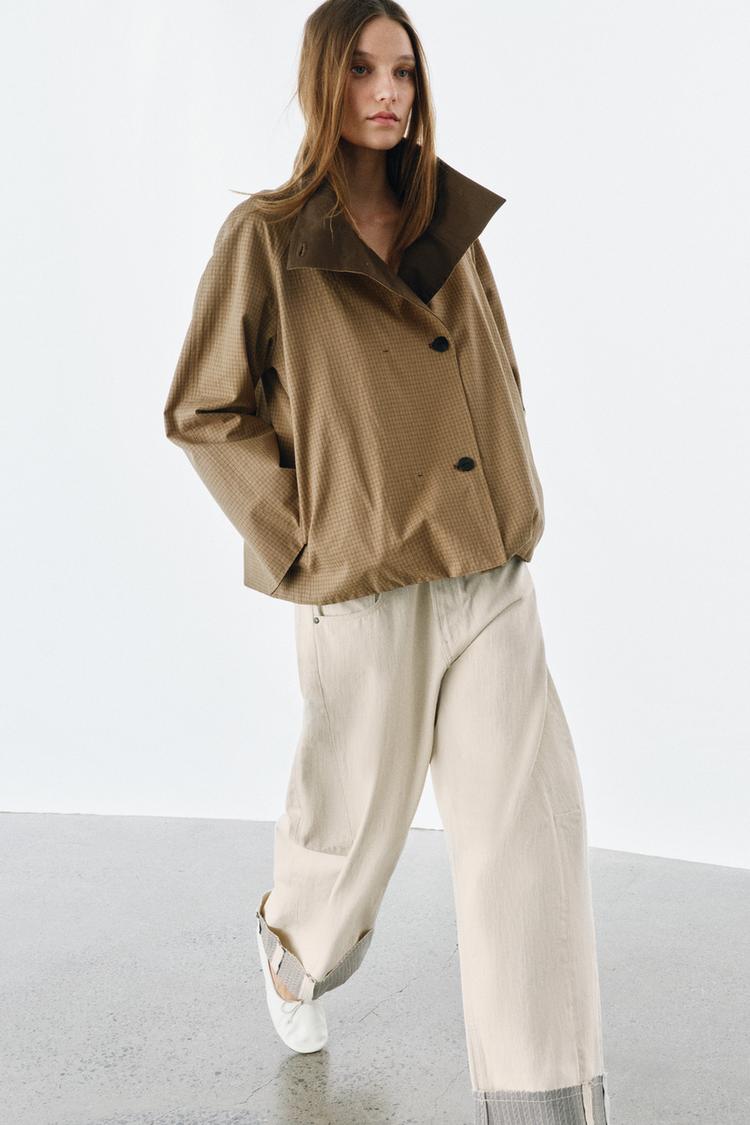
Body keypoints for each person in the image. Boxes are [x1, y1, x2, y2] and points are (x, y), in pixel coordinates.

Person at [163, 2, 613, 1122]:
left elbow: (495, 367)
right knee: (354, 829)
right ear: (325, 81)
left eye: (403, 70)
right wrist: (304, 537)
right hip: (363, 581)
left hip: (488, 568)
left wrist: (513, 498)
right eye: (364, 69)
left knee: (528, 836)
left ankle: (548, 1100)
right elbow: (203, 412)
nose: (387, 91)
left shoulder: (443, 218)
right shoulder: (268, 238)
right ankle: (294, 950)